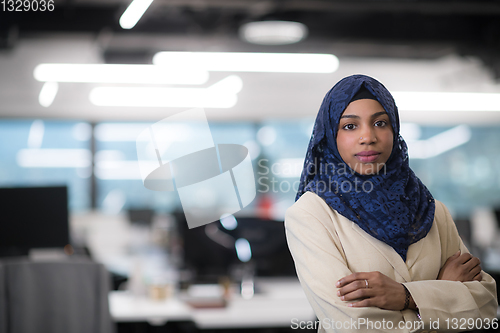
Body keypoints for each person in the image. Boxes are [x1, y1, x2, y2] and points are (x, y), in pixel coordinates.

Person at [285, 74, 498, 332]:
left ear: (394, 129)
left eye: (380, 123)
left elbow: (485, 307)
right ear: (330, 136)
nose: (368, 137)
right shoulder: (311, 214)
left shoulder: (432, 211)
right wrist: (441, 295)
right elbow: (354, 326)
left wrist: (405, 296)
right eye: (350, 126)